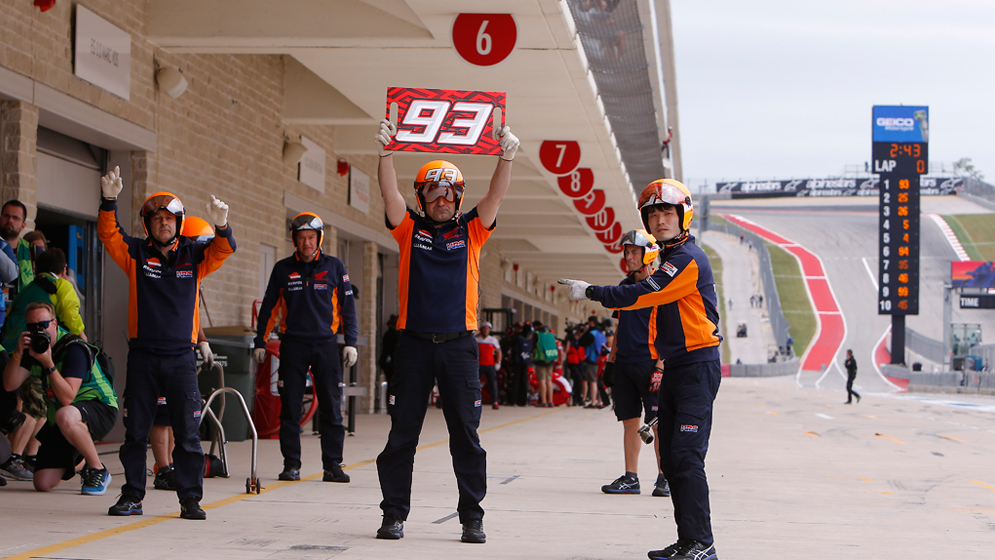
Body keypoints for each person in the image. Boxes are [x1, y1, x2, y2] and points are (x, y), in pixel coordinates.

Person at [372, 117, 519, 543]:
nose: (442, 198)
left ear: (458, 197)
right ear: (422, 196)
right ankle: (393, 515)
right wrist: (385, 154)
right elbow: (389, 192)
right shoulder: (407, 229)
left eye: (450, 191)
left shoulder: (472, 230)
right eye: (433, 191)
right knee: (401, 437)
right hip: (413, 346)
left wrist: (505, 156)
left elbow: (495, 195)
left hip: (459, 347)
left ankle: (472, 517)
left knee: (466, 439)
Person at [559, 178, 722, 560]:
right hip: (679, 367)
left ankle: (703, 544)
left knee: (684, 456)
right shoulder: (668, 258)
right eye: (654, 214)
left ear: (683, 216)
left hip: (697, 364)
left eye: (667, 212)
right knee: (674, 457)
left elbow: (643, 294)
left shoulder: (687, 260)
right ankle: (689, 540)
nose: (660, 220)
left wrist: (592, 291)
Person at [98, 166, 235, 520]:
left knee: (188, 435)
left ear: (179, 222)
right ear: (149, 224)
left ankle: (190, 499)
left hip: (181, 359)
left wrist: (222, 225)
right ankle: (132, 496)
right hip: (143, 356)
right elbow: (108, 234)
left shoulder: (195, 255)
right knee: (135, 433)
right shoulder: (136, 254)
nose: (163, 224)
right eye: (156, 219)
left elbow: (224, 250)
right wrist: (109, 201)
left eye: (169, 218)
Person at [253, 212, 358, 483]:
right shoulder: (282, 269)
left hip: (326, 347)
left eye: (311, 237)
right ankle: (291, 465)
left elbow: (348, 309)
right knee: (290, 408)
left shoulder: (335, 267)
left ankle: (332, 465)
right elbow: (268, 309)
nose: (307, 243)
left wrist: (351, 343)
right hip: (293, 346)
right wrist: (260, 342)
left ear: (319, 239)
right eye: (301, 238)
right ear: (294, 240)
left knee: (333, 407)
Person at [2, 302, 117, 494]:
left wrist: (48, 363)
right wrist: (17, 354)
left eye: (43, 325)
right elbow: (9, 385)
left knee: (65, 415)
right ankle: (80, 459)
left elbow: (67, 397)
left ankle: (97, 468)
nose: (39, 330)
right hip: (65, 419)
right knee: (42, 483)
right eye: (32, 327)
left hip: (99, 407)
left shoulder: (73, 348)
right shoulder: (33, 349)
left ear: (54, 323)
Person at [0, 248, 88, 481]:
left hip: (9, 349)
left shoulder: (27, 287)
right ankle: (13, 457)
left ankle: (28, 456)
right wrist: (85, 345)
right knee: (35, 404)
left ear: (37, 268)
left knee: (33, 402)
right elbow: (71, 315)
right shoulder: (61, 285)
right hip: (29, 350)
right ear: (64, 270)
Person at [600, 229, 669, 498]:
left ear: (648, 255)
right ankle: (631, 478)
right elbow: (620, 327)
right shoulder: (624, 287)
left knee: (656, 423)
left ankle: (664, 478)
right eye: (626, 252)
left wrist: (661, 366)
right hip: (625, 364)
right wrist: (611, 360)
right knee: (630, 421)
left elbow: (668, 329)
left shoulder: (661, 287)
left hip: (651, 363)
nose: (628, 257)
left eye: (633, 252)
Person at [579, 316, 606, 408]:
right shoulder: (601, 334)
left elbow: (581, 342)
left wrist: (585, 332)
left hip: (593, 359)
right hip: (601, 359)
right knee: (599, 380)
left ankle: (593, 401)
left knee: (593, 381)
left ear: (591, 322)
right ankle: (599, 401)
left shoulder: (591, 334)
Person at [475, 321, 502, 410]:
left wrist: (498, 362)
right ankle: (475, 401)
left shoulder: (493, 340)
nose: (486, 331)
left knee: (493, 384)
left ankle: (495, 401)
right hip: (479, 365)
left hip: (490, 365)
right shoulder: (476, 339)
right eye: (484, 329)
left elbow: (499, 352)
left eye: (487, 329)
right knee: (476, 384)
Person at [531, 321, 558, 407]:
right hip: (550, 358)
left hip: (541, 359)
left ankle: (544, 401)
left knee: (542, 380)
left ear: (535, 326)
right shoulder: (550, 333)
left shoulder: (537, 334)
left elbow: (532, 347)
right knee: (549, 380)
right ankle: (550, 401)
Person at [379, 314, 400, 385]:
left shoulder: (390, 334)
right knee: (392, 384)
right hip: (391, 362)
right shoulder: (393, 334)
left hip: (389, 362)